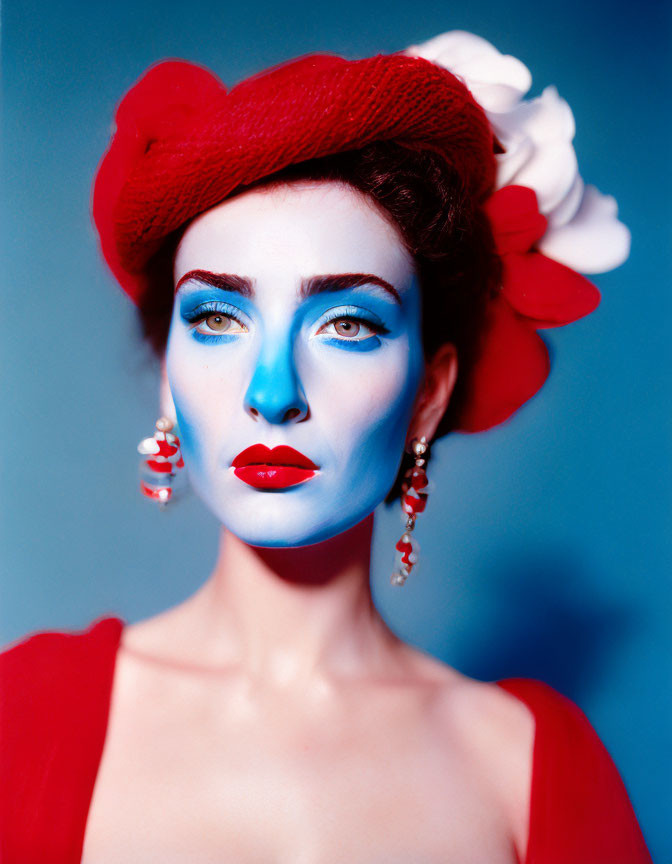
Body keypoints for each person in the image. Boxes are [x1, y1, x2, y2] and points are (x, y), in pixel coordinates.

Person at [0, 30, 652, 864]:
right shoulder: (24, 718)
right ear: (169, 376)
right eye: (217, 319)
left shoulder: (528, 766)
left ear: (428, 393)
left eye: (348, 323)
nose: (272, 392)